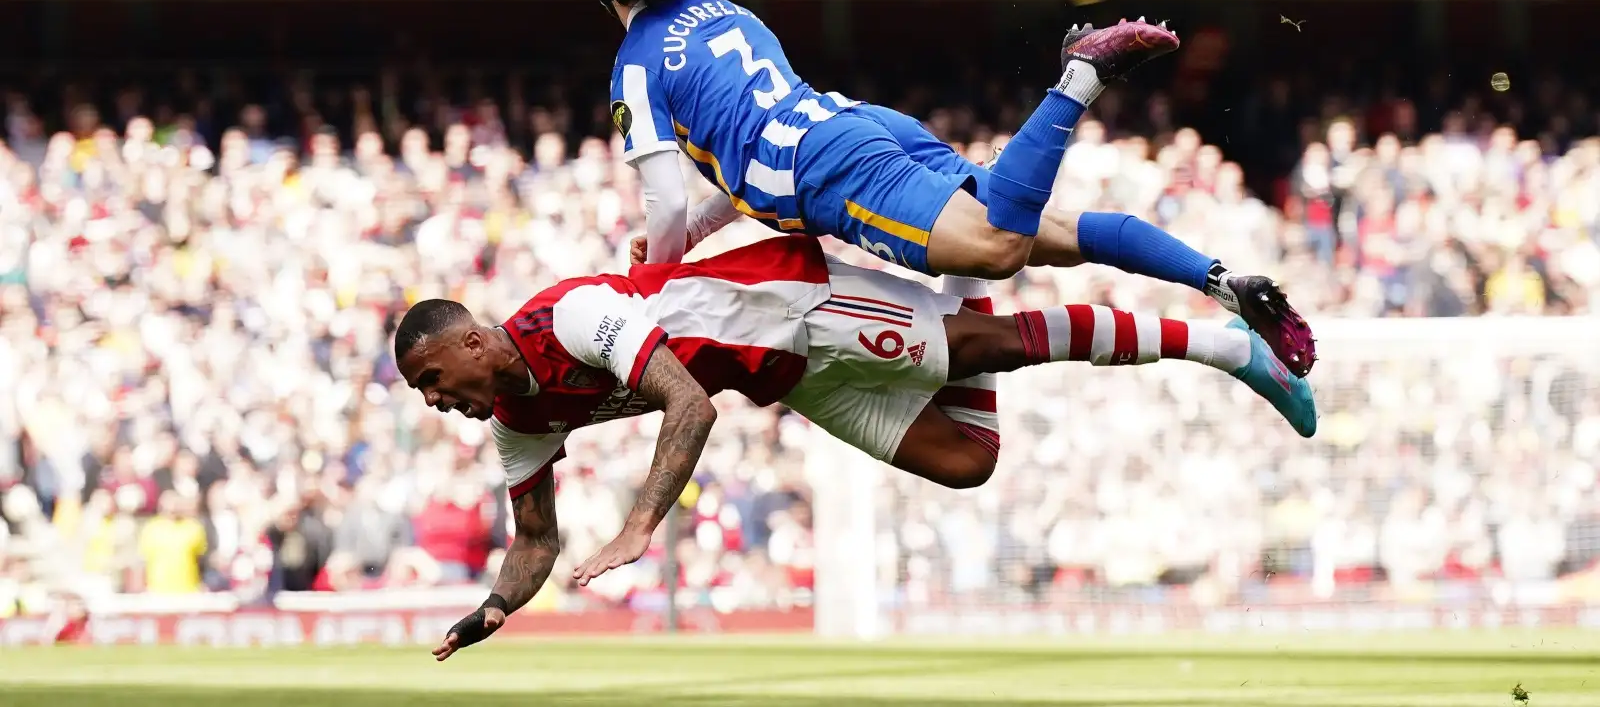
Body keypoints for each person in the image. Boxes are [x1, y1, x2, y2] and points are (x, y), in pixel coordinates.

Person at [578, 0, 1316, 377]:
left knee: (1000, 248)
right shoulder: (723, 15)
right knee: (1045, 233)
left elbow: (666, 194)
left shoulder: (634, 67)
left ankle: (1081, 77)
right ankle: (1224, 284)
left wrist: (659, 280)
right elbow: (746, 156)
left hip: (832, 175)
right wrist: (695, 231)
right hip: (856, 129)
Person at [395, 235, 1317, 660]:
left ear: (471, 343)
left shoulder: (576, 316)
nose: (439, 404)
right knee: (967, 460)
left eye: (435, 379)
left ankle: (1231, 349)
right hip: (787, 376)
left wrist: (641, 524)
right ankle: (957, 280)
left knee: (990, 347)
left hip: (791, 308)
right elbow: (535, 541)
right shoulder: (517, 422)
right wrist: (493, 610)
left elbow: (688, 406)